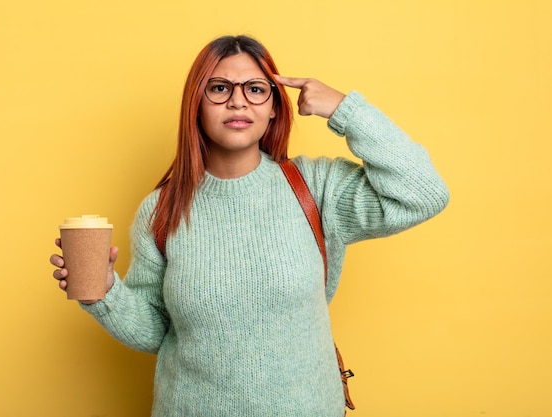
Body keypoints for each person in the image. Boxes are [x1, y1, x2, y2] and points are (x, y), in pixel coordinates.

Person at [50, 35, 449, 416]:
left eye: (255, 89)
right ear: (196, 104)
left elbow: (424, 193)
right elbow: (157, 332)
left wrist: (346, 110)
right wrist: (103, 294)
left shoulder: (317, 188)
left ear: (274, 106)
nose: (238, 101)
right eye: (220, 88)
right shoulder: (162, 210)